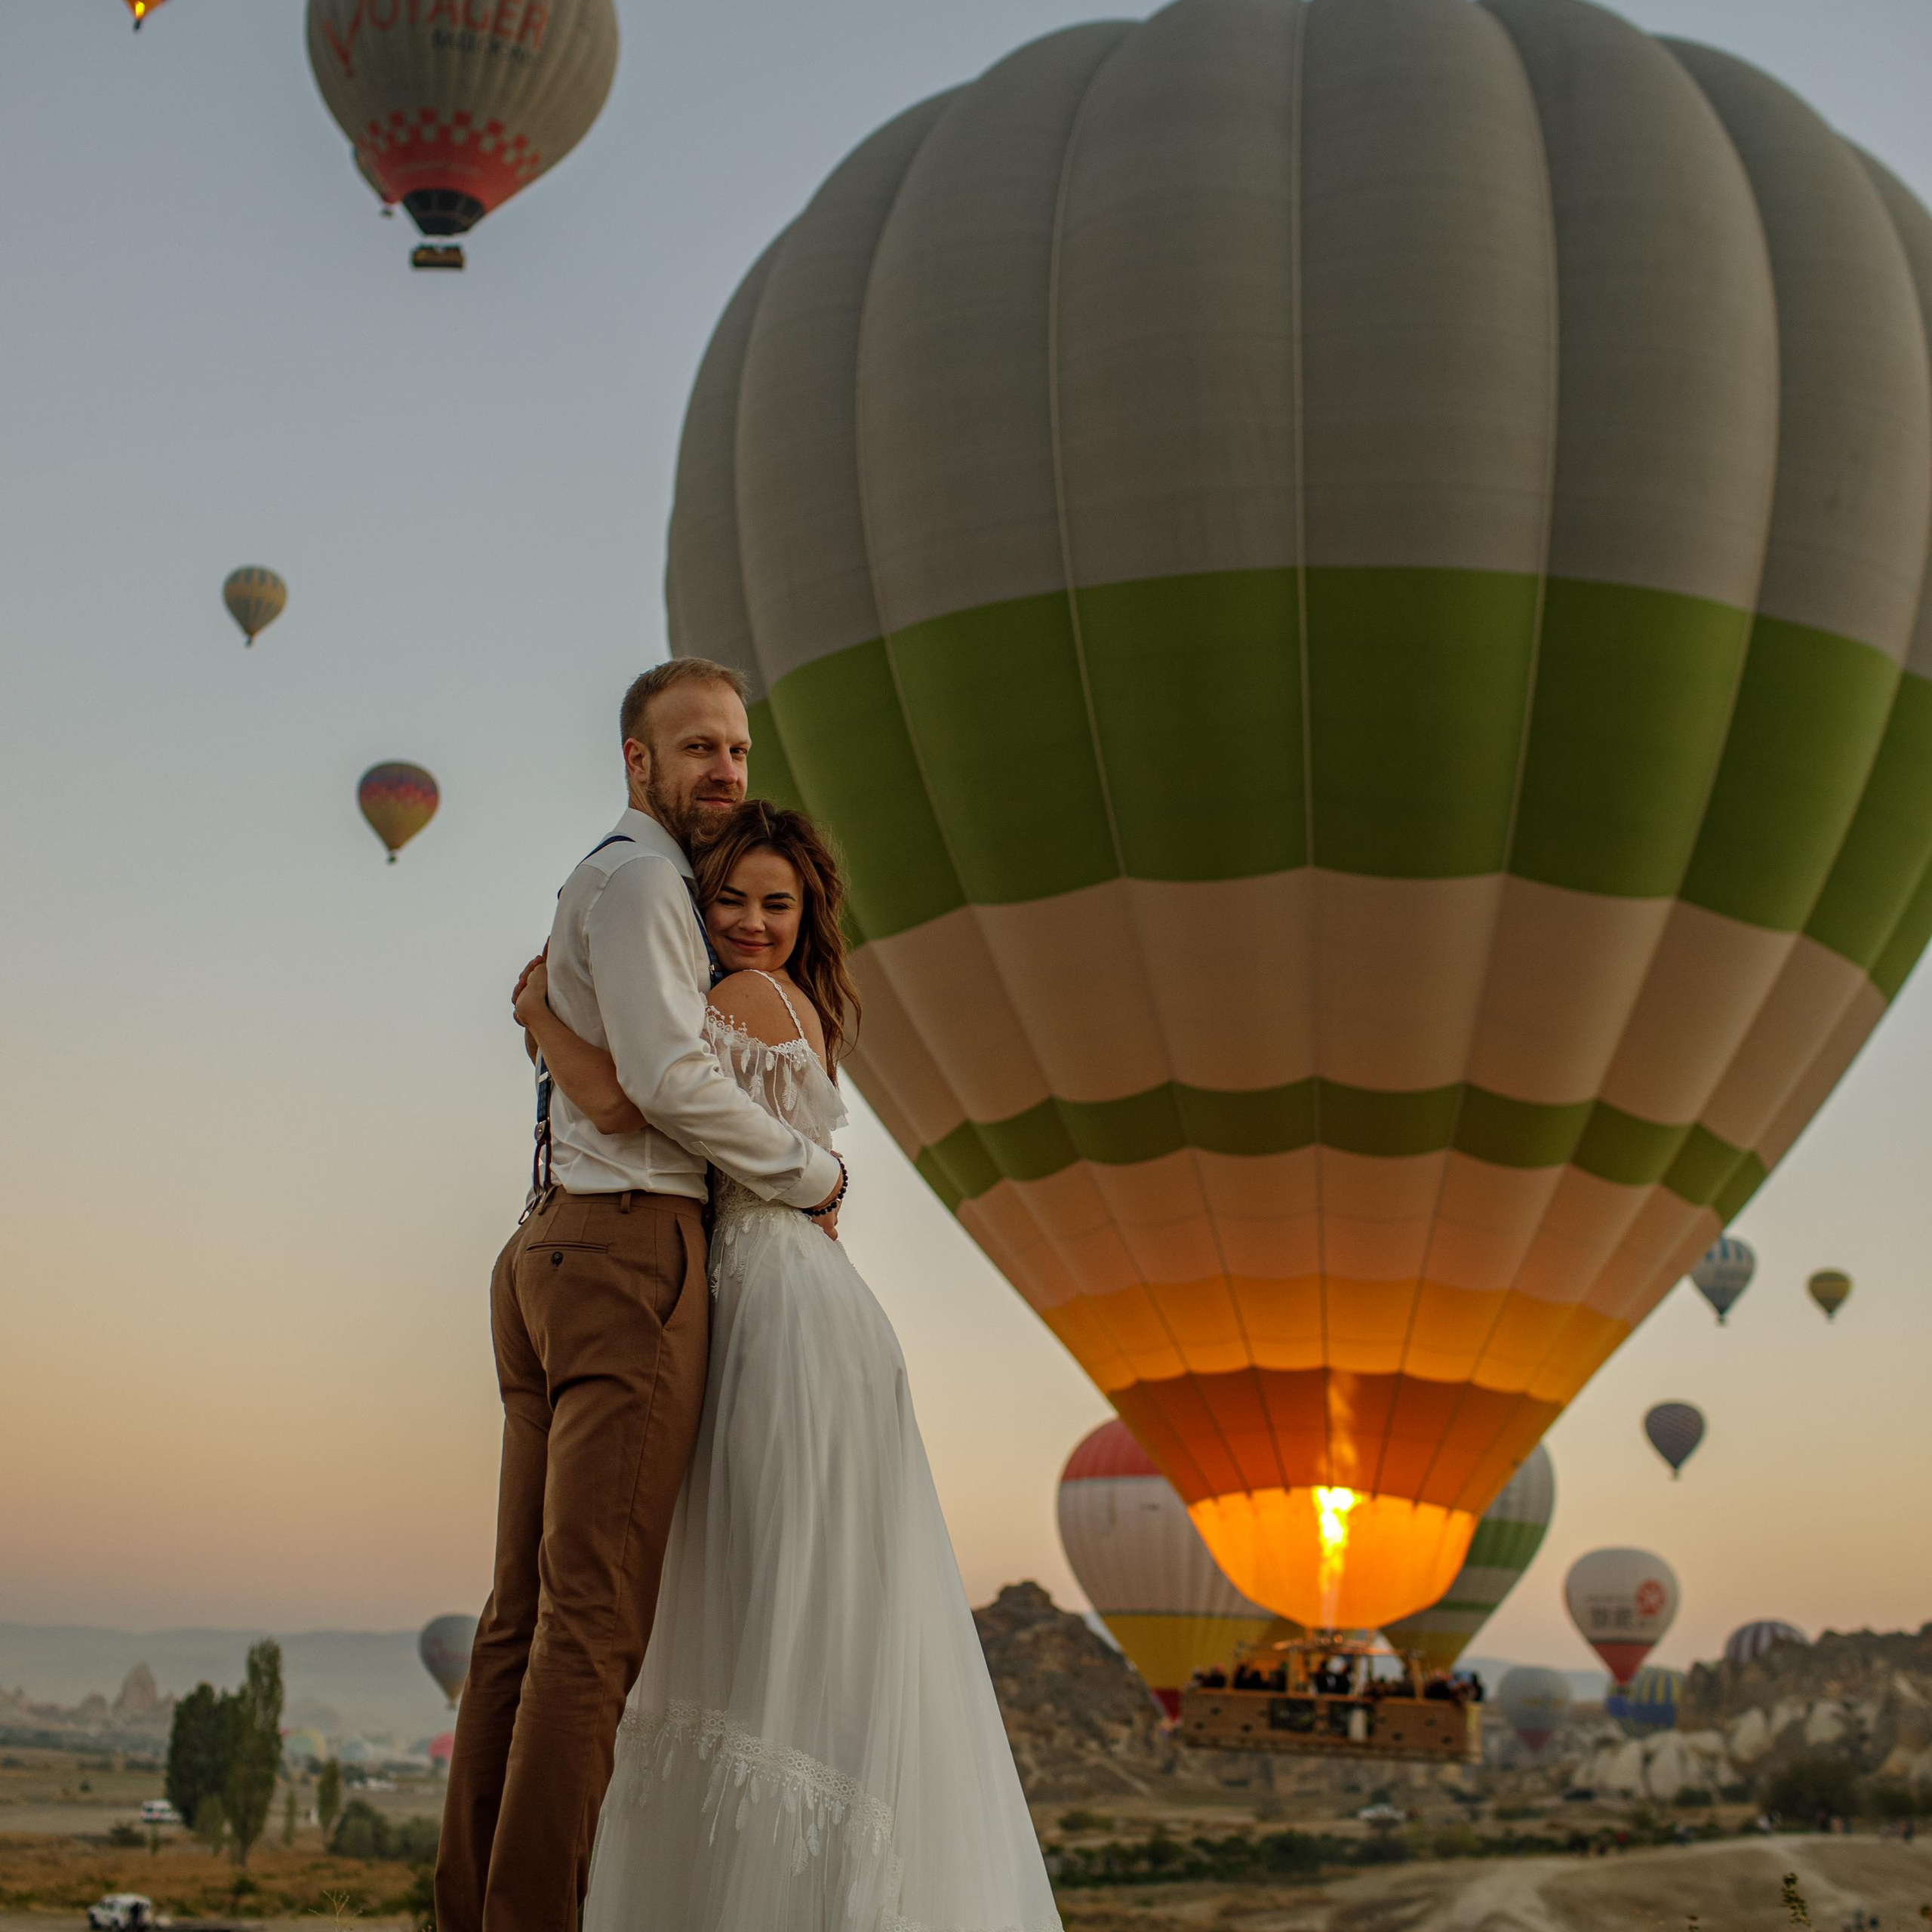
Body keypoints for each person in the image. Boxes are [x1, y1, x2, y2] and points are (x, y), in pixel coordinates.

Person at [516, 788, 1060, 1932]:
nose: (757, 920)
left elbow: (627, 1100)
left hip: (774, 1316)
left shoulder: (735, 998)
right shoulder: (779, 1001)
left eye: (780, 903)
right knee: (786, 1610)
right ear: (699, 896)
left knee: (756, 1605)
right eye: (733, 898)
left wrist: (544, 1019)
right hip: (788, 1301)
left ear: (808, 919)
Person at [435, 662, 849, 1932]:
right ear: (637, 762)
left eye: (735, 748)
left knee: (526, 1621)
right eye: (695, 750)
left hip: (561, 1250)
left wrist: (544, 1021)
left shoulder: (629, 885)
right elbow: (660, 1083)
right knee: (590, 1633)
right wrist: (816, 1167)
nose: (724, 770)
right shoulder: (644, 885)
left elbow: (608, 1075)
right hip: (624, 1257)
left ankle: (475, 1909)